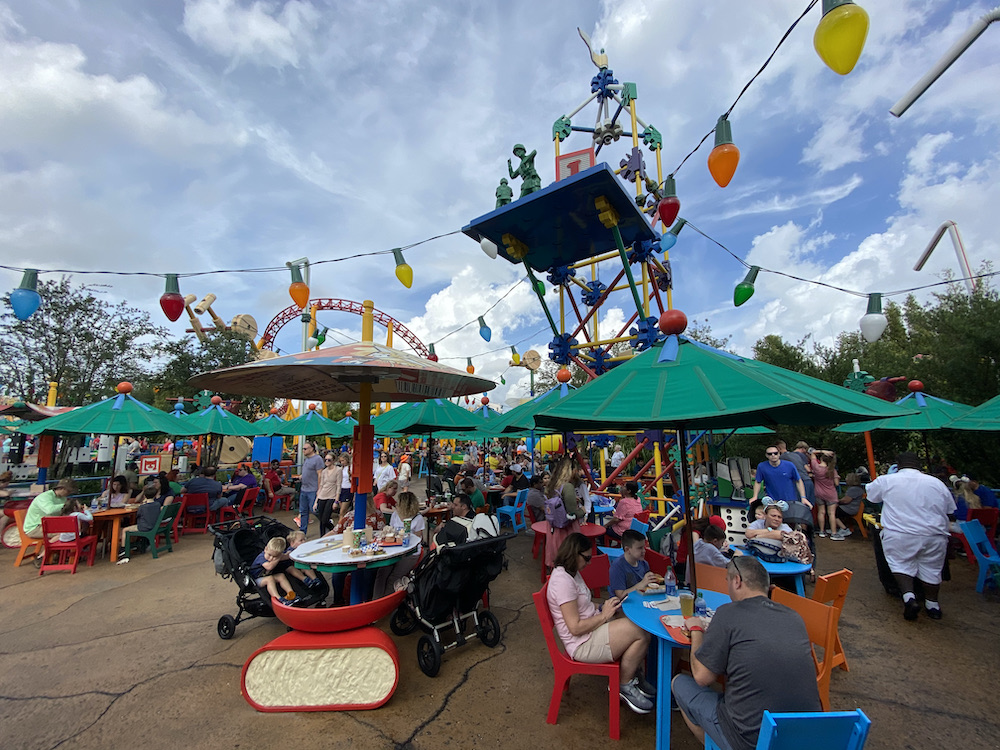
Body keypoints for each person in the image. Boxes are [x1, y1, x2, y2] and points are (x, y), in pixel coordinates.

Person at [673, 555, 821, 750]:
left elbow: (702, 676)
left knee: (679, 683)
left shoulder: (727, 613)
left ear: (737, 581)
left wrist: (696, 630)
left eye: (727, 580)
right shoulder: (794, 617)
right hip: (805, 736)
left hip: (750, 740)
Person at [546, 532, 655, 714]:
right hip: (582, 643)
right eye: (587, 558)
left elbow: (584, 606)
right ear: (574, 554)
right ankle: (624, 684)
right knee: (640, 632)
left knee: (636, 624)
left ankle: (632, 673)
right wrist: (604, 615)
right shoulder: (562, 582)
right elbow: (575, 627)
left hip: (591, 630)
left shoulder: (570, 573)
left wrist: (605, 606)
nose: (589, 563)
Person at [865, 452, 955, 621]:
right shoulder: (937, 484)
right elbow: (950, 510)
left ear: (898, 465)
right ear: (919, 466)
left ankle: (909, 598)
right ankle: (932, 605)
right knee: (932, 570)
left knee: (900, 564)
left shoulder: (887, 480)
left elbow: (871, 496)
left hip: (900, 532)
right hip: (934, 535)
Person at [372, 491, 426, 598]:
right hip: (394, 549)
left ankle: (387, 601)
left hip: (410, 552)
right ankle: (376, 600)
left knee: (394, 576)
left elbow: (417, 538)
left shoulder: (417, 518)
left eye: (398, 503)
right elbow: (391, 531)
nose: (395, 504)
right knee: (382, 572)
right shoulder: (395, 515)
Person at [750, 446, 813, 528]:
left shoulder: (789, 465)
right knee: (773, 523)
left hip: (790, 500)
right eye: (770, 454)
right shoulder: (762, 466)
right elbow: (758, 482)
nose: (773, 455)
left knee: (791, 524)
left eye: (775, 453)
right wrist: (755, 496)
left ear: (779, 454)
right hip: (772, 501)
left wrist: (803, 497)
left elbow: (798, 480)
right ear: (766, 455)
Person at [249, 537, 320, 607]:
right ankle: (279, 599)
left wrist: (289, 553)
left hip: (265, 576)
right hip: (256, 580)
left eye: (274, 556)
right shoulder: (261, 557)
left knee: (281, 576)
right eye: (270, 555)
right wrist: (278, 558)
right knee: (270, 579)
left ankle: (291, 594)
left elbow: (287, 556)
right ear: (266, 549)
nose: (271, 558)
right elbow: (269, 566)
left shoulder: (276, 555)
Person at [544, 458, 584, 569]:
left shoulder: (551, 485)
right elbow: (572, 513)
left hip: (553, 527)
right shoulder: (568, 486)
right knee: (568, 562)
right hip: (566, 530)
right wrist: (583, 511)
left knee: (558, 561)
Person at [609, 529, 658, 599]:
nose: (644, 551)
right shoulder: (617, 567)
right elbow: (620, 596)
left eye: (644, 547)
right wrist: (642, 584)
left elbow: (646, 587)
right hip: (622, 606)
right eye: (640, 548)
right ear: (627, 549)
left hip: (640, 599)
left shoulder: (644, 563)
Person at [117, 484, 163, 560]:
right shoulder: (157, 504)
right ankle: (137, 544)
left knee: (125, 530)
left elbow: (138, 515)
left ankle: (123, 549)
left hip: (144, 527)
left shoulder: (142, 507)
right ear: (155, 495)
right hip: (154, 525)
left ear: (145, 496)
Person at [810, 449, 845, 539]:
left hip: (818, 492)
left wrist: (822, 451)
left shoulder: (816, 467)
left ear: (821, 458)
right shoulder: (832, 471)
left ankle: (822, 531)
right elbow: (836, 483)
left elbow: (812, 453)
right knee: (831, 514)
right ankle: (834, 533)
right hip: (830, 493)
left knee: (821, 512)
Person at [297, 441, 324, 534]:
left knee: (315, 510)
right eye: (303, 449)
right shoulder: (307, 459)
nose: (303, 450)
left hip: (313, 489)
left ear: (312, 449)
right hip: (304, 489)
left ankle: (326, 522)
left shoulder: (317, 459)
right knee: (303, 512)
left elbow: (320, 474)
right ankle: (302, 532)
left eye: (305, 449)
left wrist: (319, 489)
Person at [780, 440, 815, 506]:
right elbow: (808, 469)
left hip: (797, 481)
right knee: (808, 504)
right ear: (803, 448)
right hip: (805, 480)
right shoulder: (801, 455)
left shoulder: (789, 455)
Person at [314, 453, 341, 535]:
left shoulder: (338, 470)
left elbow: (338, 485)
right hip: (322, 495)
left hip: (331, 496)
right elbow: (321, 486)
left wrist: (336, 501)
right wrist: (316, 501)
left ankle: (334, 530)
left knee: (325, 519)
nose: (327, 461)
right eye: (325, 460)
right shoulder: (324, 471)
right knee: (321, 520)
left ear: (333, 461)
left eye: (329, 460)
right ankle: (322, 536)